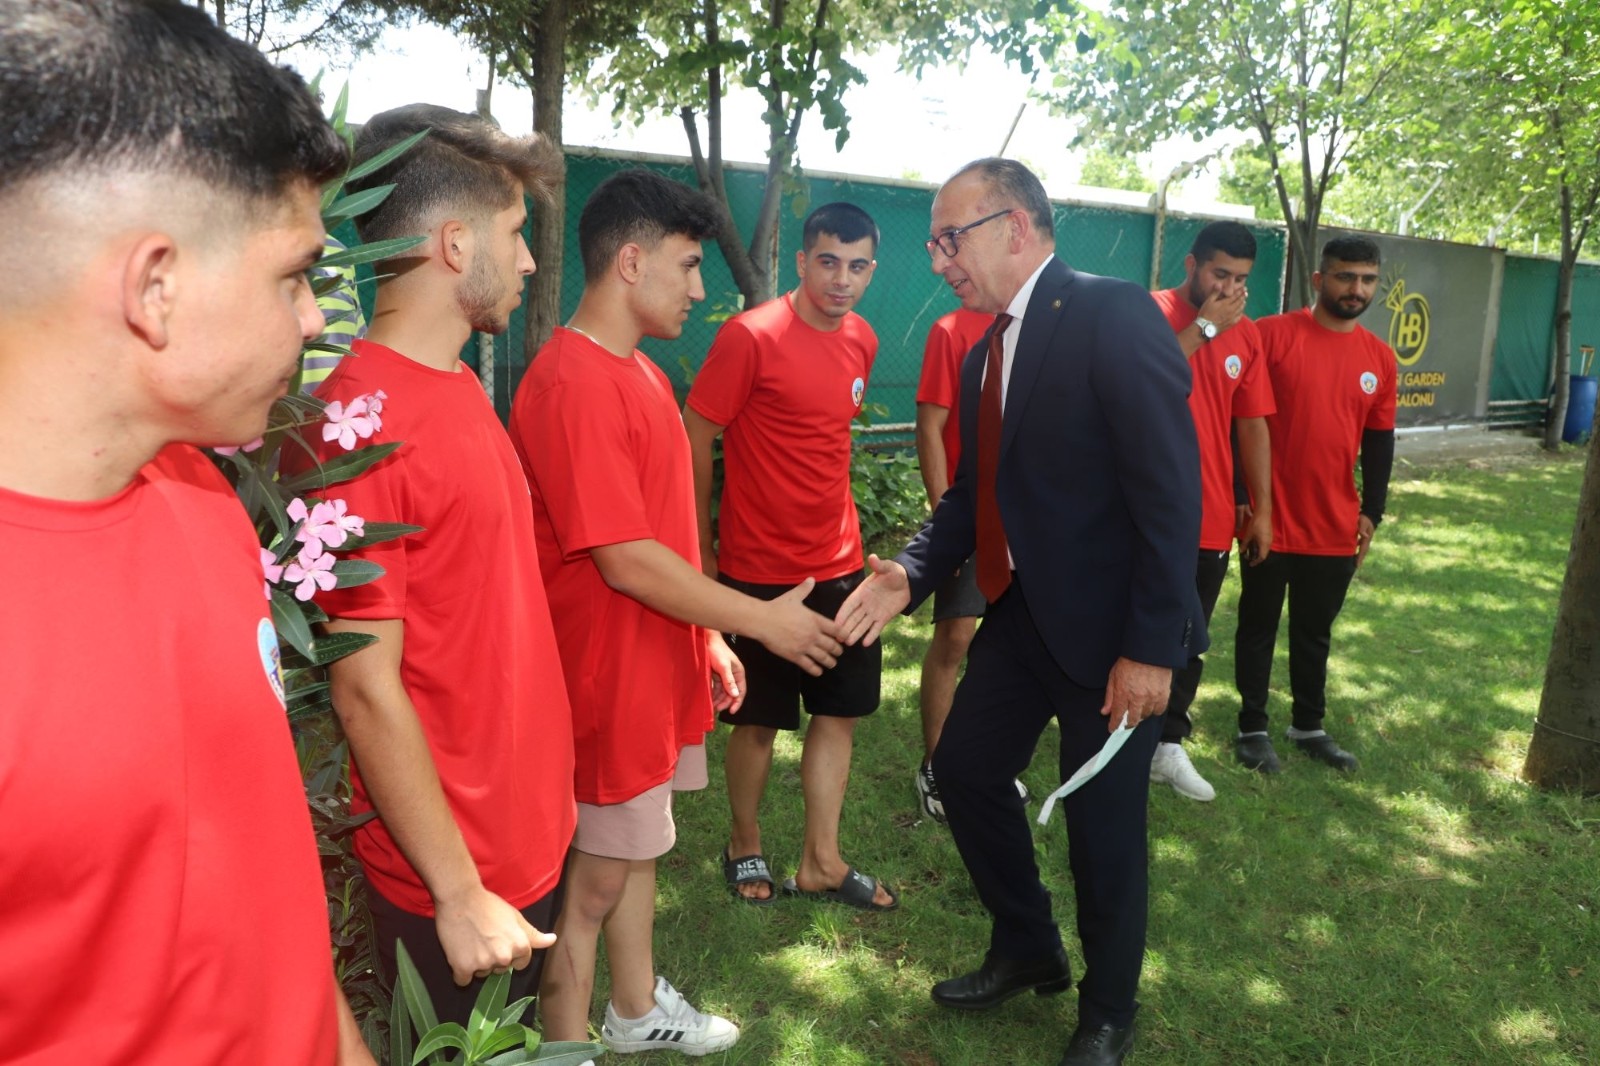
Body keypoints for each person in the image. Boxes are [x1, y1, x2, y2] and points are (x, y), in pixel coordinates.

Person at [0, 1, 373, 1061]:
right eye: (294, 273)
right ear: (154, 287)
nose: (312, 318)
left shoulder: (200, 496)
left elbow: (256, 878)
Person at [835, 158, 1203, 1066]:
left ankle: (1108, 1012)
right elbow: (971, 497)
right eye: (932, 242)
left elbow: (1170, 495)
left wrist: (1151, 649)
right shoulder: (981, 351)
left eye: (947, 238)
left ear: (1015, 226)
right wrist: (909, 574)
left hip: (1116, 637)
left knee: (1104, 832)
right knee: (962, 771)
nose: (936, 260)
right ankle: (1028, 944)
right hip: (1023, 618)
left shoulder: (1113, 314)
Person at [511, 169, 843, 1057]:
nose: (701, 289)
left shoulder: (644, 376)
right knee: (590, 886)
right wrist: (760, 621)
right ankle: (564, 1046)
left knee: (640, 847)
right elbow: (623, 559)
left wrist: (703, 639)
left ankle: (631, 1009)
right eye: (689, 266)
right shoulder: (572, 382)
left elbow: (664, 532)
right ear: (630, 261)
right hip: (606, 678)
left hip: (655, 664)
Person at [287, 104, 577, 1025]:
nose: (528, 262)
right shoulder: (352, 429)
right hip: (458, 878)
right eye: (514, 234)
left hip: (529, 834)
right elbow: (364, 688)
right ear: (456, 243)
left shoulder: (453, 384)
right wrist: (457, 892)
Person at [684, 202, 898, 912]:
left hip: (841, 565)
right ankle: (744, 842)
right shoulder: (752, 337)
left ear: (872, 269)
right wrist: (704, 554)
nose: (843, 280)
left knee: (839, 715)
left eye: (858, 265)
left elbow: (826, 442)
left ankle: (821, 861)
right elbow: (697, 437)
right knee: (758, 723)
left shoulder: (862, 339)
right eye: (829, 262)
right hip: (757, 575)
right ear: (802, 262)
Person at [1234, 235, 1397, 774]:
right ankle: (1252, 729)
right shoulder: (1270, 335)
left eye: (1368, 279)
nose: (1357, 289)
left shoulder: (1379, 358)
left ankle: (1309, 725)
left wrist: (1372, 509)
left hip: (1334, 521)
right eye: (1346, 276)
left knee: (1314, 630)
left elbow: (1379, 440)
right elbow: (1238, 421)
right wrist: (1243, 499)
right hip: (1268, 517)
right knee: (1258, 625)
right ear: (1319, 280)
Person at [1147, 221, 1275, 801]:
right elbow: (1138, 381)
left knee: (1189, 636)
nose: (1230, 289)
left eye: (1242, 280)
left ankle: (1166, 744)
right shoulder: (1147, 312)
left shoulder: (1245, 337)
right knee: (1126, 628)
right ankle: (1110, 733)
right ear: (1191, 265)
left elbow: (1251, 424)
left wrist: (1264, 508)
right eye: (1220, 274)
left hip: (1209, 516)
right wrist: (1204, 328)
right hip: (1140, 509)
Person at [912, 307, 995, 822]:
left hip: (1023, 517)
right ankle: (937, 767)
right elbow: (930, 425)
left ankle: (986, 763)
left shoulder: (1036, 319)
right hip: (968, 517)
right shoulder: (951, 329)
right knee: (957, 638)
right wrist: (947, 520)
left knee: (1006, 646)